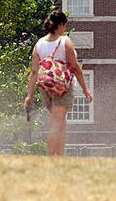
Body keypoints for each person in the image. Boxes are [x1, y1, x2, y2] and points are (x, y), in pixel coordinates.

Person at [24, 11, 92, 156]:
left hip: (46, 87)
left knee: (60, 122)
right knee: (56, 123)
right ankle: (50, 157)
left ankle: (60, 158)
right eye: (65, 25)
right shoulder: (64, 41)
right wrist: (85, 88)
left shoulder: (39, 44)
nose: (65, 28)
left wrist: (29, 95)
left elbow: (34, 72)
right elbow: (74, 66)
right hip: (62, 87)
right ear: (60, 25)